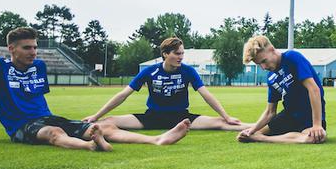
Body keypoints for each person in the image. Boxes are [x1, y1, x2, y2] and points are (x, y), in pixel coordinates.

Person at [0, 27, 190, 151]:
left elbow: (38, 103)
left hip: (46, 117)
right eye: (27, 48)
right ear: (11, 49)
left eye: (35, 47)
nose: (34, 51)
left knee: (104, 127)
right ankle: (90, 146)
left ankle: (156, 139)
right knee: (54, 132)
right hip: (22, 126)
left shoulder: (40, 66)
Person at [84, 37, 242, 131]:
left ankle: (260, 128)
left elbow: (206, 95)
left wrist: (226, 116)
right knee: (108, 121)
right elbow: (123, 95)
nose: (181, 57)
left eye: (182, 53)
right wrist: (96, 116)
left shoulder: (188, 71)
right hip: (153, 117)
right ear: (166, 54)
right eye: (177, 53)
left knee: (222, 123)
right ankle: (75, 129)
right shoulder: (149, 71)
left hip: (182, 118)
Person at [237, 35, 327, 143]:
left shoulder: (292, 57)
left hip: (309, 117)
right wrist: (252, 130)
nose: (263, 67)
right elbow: (270, 112)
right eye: (259, 64)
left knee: (314, 138)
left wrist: (317, 125)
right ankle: (260, 135)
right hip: (289, 116)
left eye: (264, 61)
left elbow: (314, 89)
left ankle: (263, 139)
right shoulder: (271, 77)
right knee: (254, 132)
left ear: (271, 50)